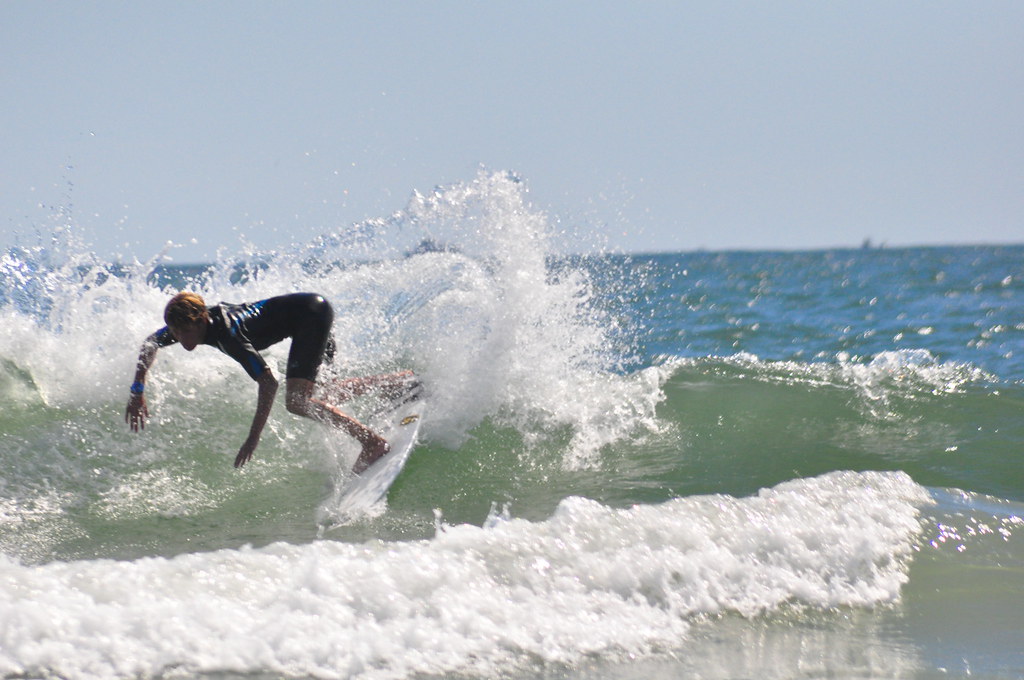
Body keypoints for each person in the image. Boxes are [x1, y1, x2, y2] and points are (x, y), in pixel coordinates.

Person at [125, 291, 414, 472]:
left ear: (202, 321)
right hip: (311, 309)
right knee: (322, 396)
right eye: (176, 334)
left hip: (311, 316)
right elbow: (150, 343)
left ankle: (372, 443)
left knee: (297, 402)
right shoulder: (190, 326)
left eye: (186, 333)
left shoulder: (228, 335)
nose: (182, 341)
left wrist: (253, 438)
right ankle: (400, 382)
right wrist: (138, 390)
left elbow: (268, 382)